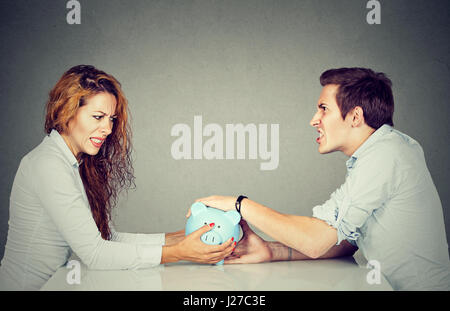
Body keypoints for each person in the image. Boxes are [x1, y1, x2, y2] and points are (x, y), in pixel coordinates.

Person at [194, 67, 450, 290]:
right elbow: (346, 241)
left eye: (323, 109)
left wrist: (240, 204)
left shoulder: (386, 155)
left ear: (355, 116)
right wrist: (271, 250)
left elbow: (317, 242)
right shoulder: (377, 154)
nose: (313, 120)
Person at [0, 65, 235, 290]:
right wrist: (178, 252)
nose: (108, 129)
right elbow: (95, 254)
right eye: (98, 117)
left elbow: (108, 238)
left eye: (111, 119)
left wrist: (183, 237)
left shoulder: (71, 163)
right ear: (66, 112)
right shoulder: (48, 165)